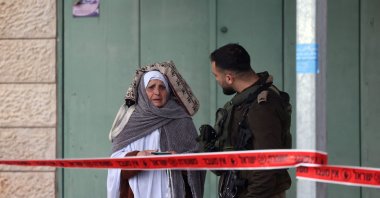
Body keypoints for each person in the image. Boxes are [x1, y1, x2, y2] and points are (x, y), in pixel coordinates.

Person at [206, 43, 291, 198]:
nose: (217, 80)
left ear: (229, 78)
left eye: (216, 75)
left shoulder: (262, 106)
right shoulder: (243, 102)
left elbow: (267, 166)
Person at [107, 66, 205, 198]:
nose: (157, 92)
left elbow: (198, 161)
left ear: (169, 91)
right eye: (151, 87)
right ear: (142, 90)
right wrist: (137, 157)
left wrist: (180, 161)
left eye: (162, 87)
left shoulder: (182, 119)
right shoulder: (129, 122)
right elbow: (115, 167)